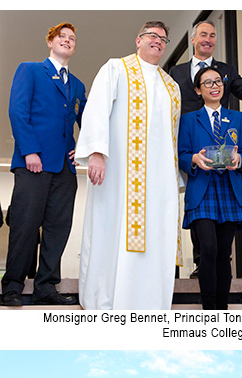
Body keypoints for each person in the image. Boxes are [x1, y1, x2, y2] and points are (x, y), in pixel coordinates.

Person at [75, 21, 182, 310]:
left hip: (159, 179)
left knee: (156, 234)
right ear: (138, 40)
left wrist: (173, 179)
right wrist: (97, 151)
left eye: (163, 38)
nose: (158, 41)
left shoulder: (171, 86)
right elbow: (96, 108)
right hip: (120, 172)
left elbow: (170, 137)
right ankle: (105, 299)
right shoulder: (116, 68)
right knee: (113, 229)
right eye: (152, 36)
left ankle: (149, 304)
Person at [170, 19, 242, 277]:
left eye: (213, 35)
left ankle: (207, 264)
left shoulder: (226, 70)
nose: (208, 39)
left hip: (223, 152)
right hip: (189, 142)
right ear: (193, 39)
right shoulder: (176, 72)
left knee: (213, 211)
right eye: (203, 34)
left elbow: (241, 89)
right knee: (195, 201)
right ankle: (199, 261)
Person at [1, 22, 86, 307]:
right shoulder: (30, 70)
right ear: (50, 42)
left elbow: (88, 122)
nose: (67, 40)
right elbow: (18, 111)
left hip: (65, 168)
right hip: (33, 162)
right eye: (61, 36)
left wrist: (84, 149)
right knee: (25, 225)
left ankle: (46, 287)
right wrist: (30, 151)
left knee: (57, 228)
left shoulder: (77, 85)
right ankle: (12, 286)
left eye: (71, 38)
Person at [178, 67, 242, 309]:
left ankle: (222, 309)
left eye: (218, 81)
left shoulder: (238, 118)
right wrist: (193, 159)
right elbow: (181, 154)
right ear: (199, 90)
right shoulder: (189, 120)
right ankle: (208, 308)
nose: (214, 86)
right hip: (202, 190)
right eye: (207, 83)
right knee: (208, 249)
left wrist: (240, 160)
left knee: (224, 254)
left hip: (230, 189)